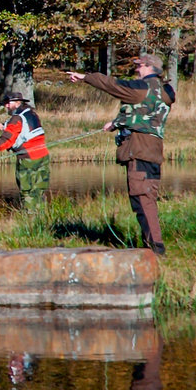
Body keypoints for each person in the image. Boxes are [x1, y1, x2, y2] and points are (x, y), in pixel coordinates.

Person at [66, 54, 176, 255]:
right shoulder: (165, 92)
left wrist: (85, 77)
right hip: (153, 150)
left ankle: (155, 250)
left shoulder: (142, 88)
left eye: (139, 66)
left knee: (142, 200)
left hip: (139, 149)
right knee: (147, 198)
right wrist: (116, 123)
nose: (136, 70)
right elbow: (145, 114)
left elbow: (112, 85)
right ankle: (153, 246)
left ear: (149, 67)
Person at [0, 92, 50, 206]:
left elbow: (7, 139)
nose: (6, 106)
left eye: (8, 103)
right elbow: (23, 128)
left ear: (18, 102)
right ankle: (42, 219)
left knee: (27, 193)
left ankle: (31, 219)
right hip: (43, 158)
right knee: (39, 192)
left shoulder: (16, 118)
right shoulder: (31, 113)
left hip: (28, 160)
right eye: (5, 103)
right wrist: (4, 126)